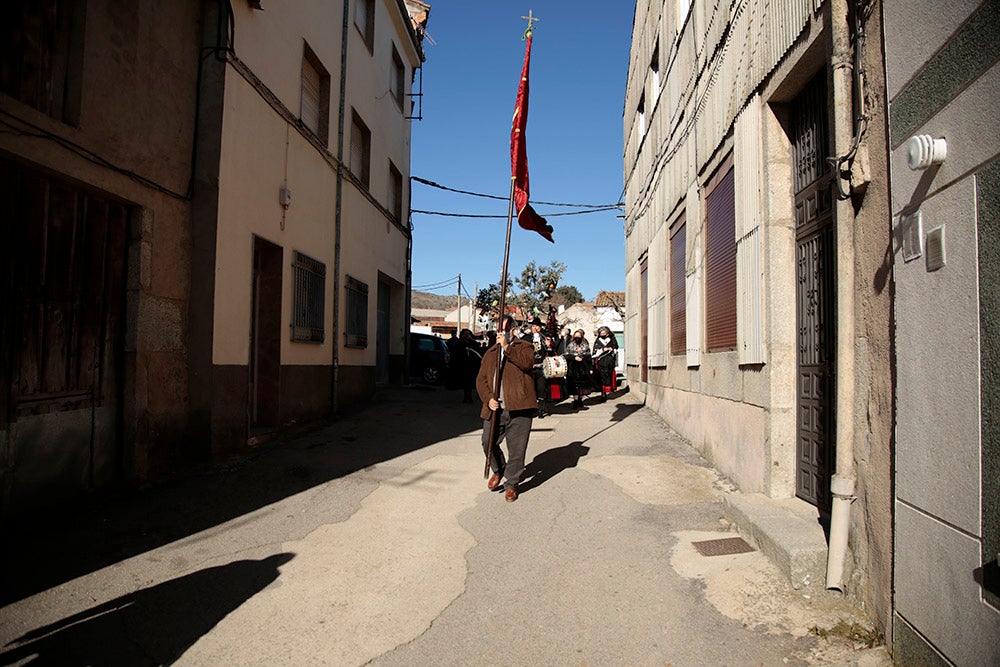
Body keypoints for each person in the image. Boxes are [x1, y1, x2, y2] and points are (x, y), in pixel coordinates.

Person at [477, 315, 537, 502]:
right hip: (495, 409)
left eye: (502, 331)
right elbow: (481, 380)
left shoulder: (525, 347)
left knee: (517, 449)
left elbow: (526, 364)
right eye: (497, 331)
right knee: (487, 442)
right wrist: (488, 399)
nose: (499, 334)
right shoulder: (490, 353)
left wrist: (507, 348)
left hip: (520, 408)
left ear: (512, 331)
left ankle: (512, 483)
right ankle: (499, 469)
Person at [527, 316, 551, 418]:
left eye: (537, 326)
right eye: (533, 326)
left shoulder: (545, 337)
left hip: (542, 367)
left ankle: (541, 409)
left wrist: (548, 345)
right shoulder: (526, 338)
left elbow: (549, 352)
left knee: (541, 388)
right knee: (531, 389)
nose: (535, 328)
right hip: (530, 367)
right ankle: (533, 409)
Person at [564, 329, 592, 408]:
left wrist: (590, 367)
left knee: (581, 385)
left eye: (579, 336)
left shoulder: (585, 345)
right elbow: (566, 355)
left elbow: (588, 356)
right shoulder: (570, 345)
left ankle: (580, 399)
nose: (577, 338)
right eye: (576, 336)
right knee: (573, 384)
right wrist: (574, 358)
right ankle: (575, 400)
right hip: (573, 367)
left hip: (582, 367)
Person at [592, 326, 619, 401]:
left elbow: (616, 347)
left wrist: (612, 349)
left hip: (609, 360)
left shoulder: (612, 339)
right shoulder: (598, 340)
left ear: (607, 333)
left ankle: (607, 391)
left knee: (608, 375)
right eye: (601, 333)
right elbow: (595, 350)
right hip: (601, 360)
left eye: (604, 333)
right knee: (601, 376)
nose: (602, 334)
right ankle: (602, 393)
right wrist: (603, 349)